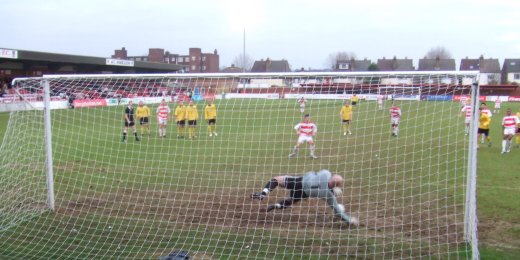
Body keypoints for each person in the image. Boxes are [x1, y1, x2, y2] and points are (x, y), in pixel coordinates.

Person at [250, 169, 359, 226]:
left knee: (276, 180)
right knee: (290, 201)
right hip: (303, 194)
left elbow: (317, 174)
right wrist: (350, 220)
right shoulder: (329, 195)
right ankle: (276, 206)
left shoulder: (326, 174)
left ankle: (263, 194)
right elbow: (337, 211)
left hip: (299, 182)